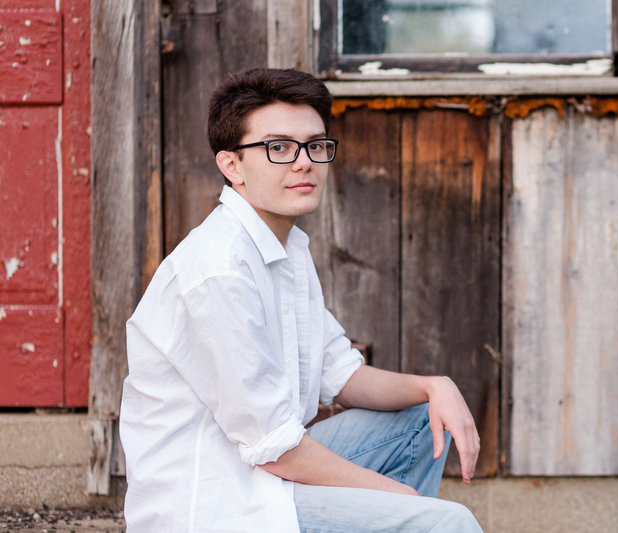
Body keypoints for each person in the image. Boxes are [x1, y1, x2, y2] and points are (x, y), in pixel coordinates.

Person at [119, 67, 483, 532]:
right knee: (446, 524)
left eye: (315, 145)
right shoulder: (218, 269)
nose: (304, 162)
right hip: (215, 505)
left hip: (262, 478)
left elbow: (341, 373)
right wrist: (399, 498)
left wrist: (434, 385)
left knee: (418, 419)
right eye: (279, 147)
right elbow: (276, 445)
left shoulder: (285, 248)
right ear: (232, 165)